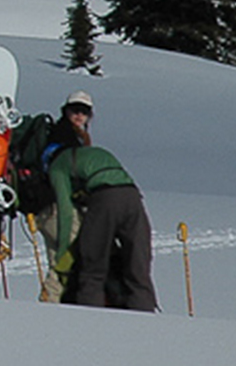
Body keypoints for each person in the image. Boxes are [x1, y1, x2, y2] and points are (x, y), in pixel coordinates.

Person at [48, 131, 157, 311]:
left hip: (105, 197)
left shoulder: (57, 165)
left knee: (93, 268)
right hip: (133, 197)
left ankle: (92, 320)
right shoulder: (97, 153)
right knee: (138, 268)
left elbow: (65, 211)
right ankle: (144, 316)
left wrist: (62, 255)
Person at [34, 92, 94, 303]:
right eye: (75, 110)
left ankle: (53, 304)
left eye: (84, 111)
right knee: (67, 258)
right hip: (59, 206)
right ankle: (49, 302)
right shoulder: (65, 137)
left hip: (45, 208)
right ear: (65, 111)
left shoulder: (70, 135)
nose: (79, 115)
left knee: (57, 259)